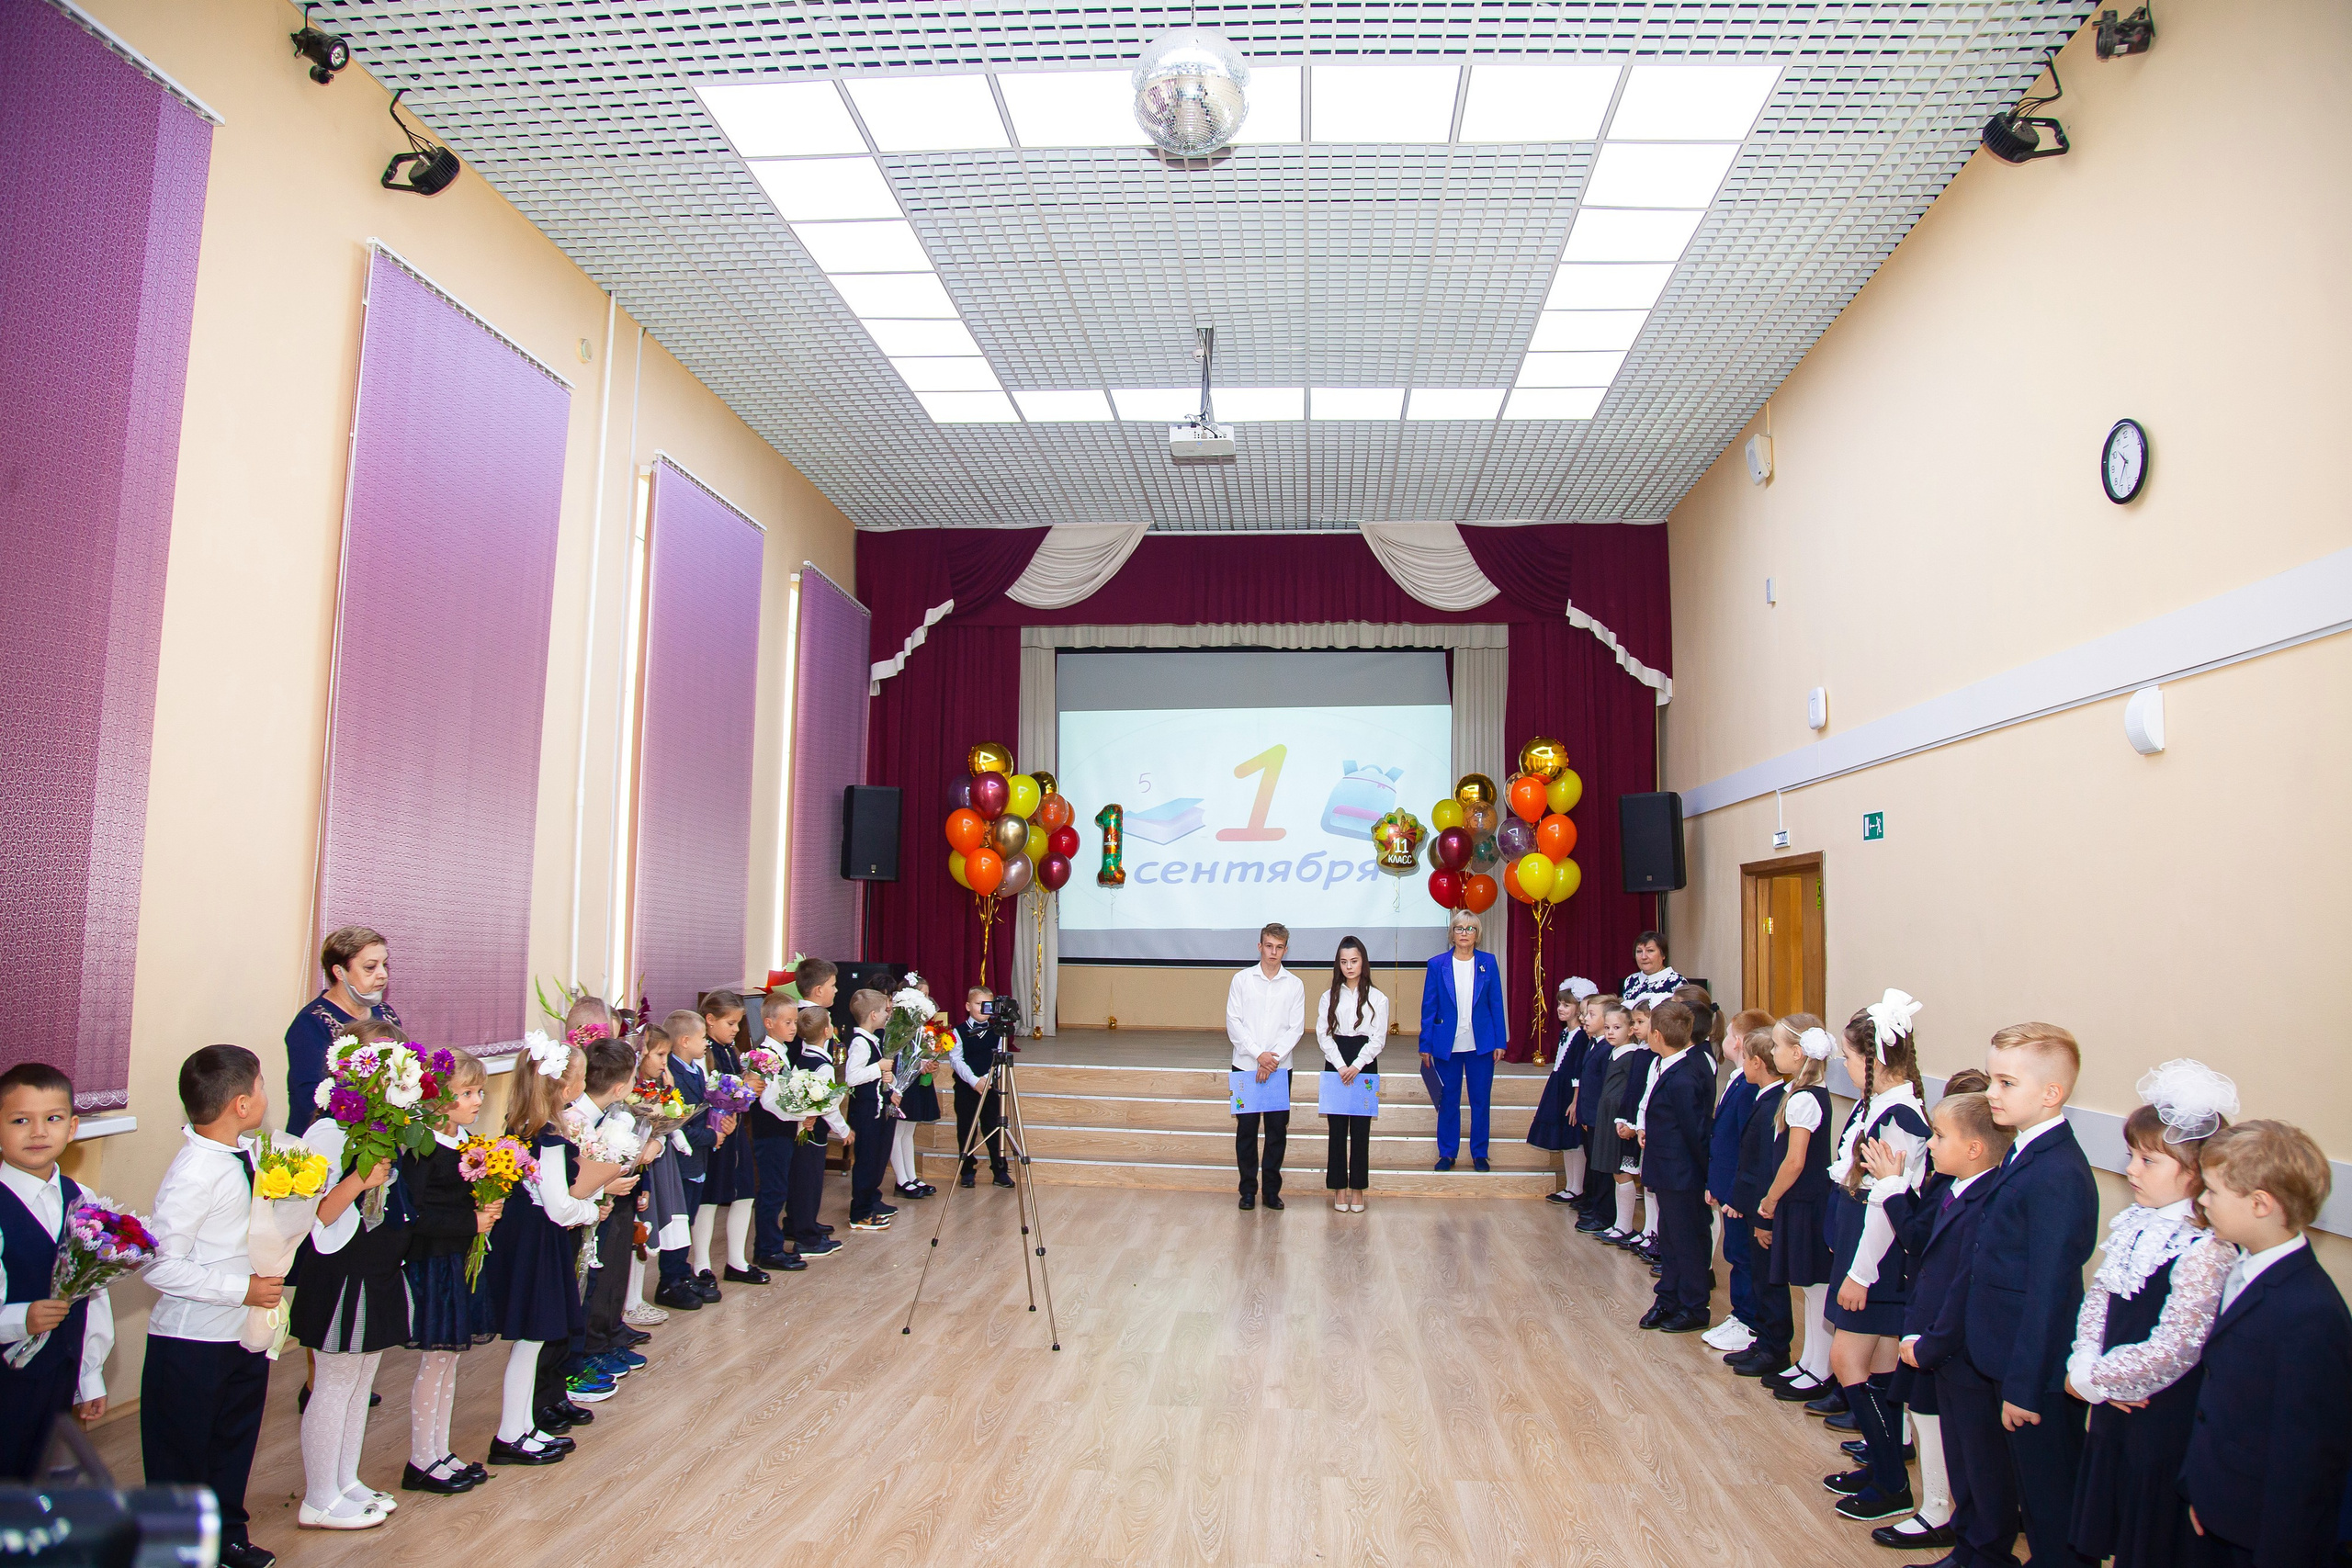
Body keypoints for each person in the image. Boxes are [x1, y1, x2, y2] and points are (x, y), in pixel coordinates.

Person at [2063, 1061, 2238, 1568]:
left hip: (2160, 1412)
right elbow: (2100, 1301)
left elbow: (2177, 1347)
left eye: (2148, 1161)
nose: (2131, 1170)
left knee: (2152, 1539)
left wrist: (2100, 1379)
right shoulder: (2137, 1222)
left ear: (2196, 1172)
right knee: (2115, 1528)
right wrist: (2084, 1367)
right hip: (2114, 1401)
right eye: (2132, 1156)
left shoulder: (2205, 1247)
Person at [2183, 1119, 2352, 1568]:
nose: (2202, 1200)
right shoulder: (2243, 1268)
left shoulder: (2311, 1314)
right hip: (2218, 1507)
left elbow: (2308, 1462)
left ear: (2260, 1204)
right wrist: (2201, 1489)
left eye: (2213, 1191)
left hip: (2262, 1536)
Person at [1962, 1021, 2099, 1567]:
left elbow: (2049, 1291)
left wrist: (2023, 1386)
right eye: (1991, 1079)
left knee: (2051, 1505)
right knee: (2029, 1493)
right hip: (2005, 1354)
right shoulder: (2025, 1151)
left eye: (2006, 1083)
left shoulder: (2058, 1172)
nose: (1991, 1093)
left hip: (2034, 1372)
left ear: (2051, 1093)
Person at [140, 1044, 280, 1568]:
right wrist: (241, 1289)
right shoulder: (195, 1172)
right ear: (241, 1104)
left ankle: (227, 1538)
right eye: (261, 1087)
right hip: (191, 1341)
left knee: (233, 1440)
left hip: (241, 1333)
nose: (265, 1096)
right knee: (181, 1455)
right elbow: (159, 1264)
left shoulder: (247, 1155)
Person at [288, 1026, 414, 1533]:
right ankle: (319, 1496)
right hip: (341, 1273)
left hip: (375, 1268)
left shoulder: (386, 1127)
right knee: (335, 1383)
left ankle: (344, 1481)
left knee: (360, 1382)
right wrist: (360, 1179)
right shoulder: (327, 1131)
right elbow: (314, 1212)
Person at [1820, 992, 1933, 1526]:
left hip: (1879, 1262)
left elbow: (1887, 1206)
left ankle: (1891, 1481)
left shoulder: (1900, 1118)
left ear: (1872, 1059)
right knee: (1882, 1365)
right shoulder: (1881, 1106)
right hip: (1867, 1254)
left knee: (1847, 1362)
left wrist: (1860, 1274)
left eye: (1848, 1055)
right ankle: (1883, 1465)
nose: (1844, 1064)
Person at [1897, 1089, 2014, 1567]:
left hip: (1962, 1353)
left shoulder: (1986, 1202)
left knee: (1981, 1466)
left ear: (1974, 1148)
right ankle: (1967, 1548)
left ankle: (1984, 1553)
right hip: (1941, 1348)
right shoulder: (1955, 1189)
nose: (1930, 1143)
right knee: (1962, 1460)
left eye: (1940, 1136)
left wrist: (1932, 1342)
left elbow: (1964, 1285)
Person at [481, 1033, 603, 1464]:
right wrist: (592, 1209)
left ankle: (522, 1427)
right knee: (531, 1339)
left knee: (531, 1340)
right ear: (566, 1088)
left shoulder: (521, 1124)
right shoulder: (549, 1137)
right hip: (538, 1241)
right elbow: (559, 1205)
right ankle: (510, 1434)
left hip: (525, 1236)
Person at [0, 1063, 112, 1481]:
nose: (38, 1132)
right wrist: (20, 1318)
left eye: (52, 1118)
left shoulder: (82, 1198)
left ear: (72, 1127)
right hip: (7, 1381)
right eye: (20, 1121)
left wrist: (90, 1376)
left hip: (60, 1375)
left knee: (47, 1478)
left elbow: (94, 1291)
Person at [398, 1048, 496, 1495]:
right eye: (467, 1093)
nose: (477, 1101)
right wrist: (469, 1222)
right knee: (435, 1361)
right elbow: (415, 1216)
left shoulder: (466, 1142)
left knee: (449, 1362)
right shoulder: (424, 1149)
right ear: (438, 1098)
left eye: (479, 1092)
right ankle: (421, 1458)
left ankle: (440, 1450)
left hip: (457, 1259)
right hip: (434, 1262)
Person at [1759, 1014, 1837, 1403]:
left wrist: (1770, 1199)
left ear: (1796, 1053)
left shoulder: (1805, 1098)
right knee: (1807, 1285)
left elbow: (1794, 1161)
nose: (1772, 1052)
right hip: (1802, 1202)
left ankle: (1821, 1369)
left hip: (1805, 1202)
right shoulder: (1804, 1091)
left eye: (1776, 1046)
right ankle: (1808, 1361)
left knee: (1816, 1286)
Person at [574, 1035, 652, 1385]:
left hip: (611, 1206)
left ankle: (605, 1340)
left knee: (611, 1273)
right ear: (620, 1087)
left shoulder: (611, 1114)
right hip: (584, 1212)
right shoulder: (577, 1120)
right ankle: (586, 1350)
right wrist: (604, 1187)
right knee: (590, 1281)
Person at [1633, 998, 1713, 1334]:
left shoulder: (1684, 1077)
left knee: (1686, 1241)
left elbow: (1695, 1132)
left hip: (1682, 1175)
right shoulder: (1668, 1067)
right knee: (1670, 1238)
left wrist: (1706, 1176)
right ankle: (1668, 1297)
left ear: (1657, 1036)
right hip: (1667, 1171)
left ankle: (1693, 1306)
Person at [1719, 1028, 1792, 1380]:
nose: (1743, 1064)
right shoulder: (1764, 1098)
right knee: (1760, 1278)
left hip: (1761, 1209)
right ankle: (1763, 1341)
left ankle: (1775, 1349)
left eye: (1746, 1058)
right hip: (1751, 1204)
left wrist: (1762, 1214)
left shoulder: (1772, 1105)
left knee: (1767, 1282)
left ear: (1758, 1063)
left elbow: (1764, 1167)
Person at [752, 964, 833, 1269]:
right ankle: (768, 1250)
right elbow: (770, 1101)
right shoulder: (766, 1055)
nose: (793, 1028)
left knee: (779, 1189)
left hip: (783, 1131)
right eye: (787, 1022)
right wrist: (800, 1116)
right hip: (771, 1132)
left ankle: (772, 1245)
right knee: (772, 1192)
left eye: (795, 1022)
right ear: (769, 1023)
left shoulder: (782, 1052)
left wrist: (803, 1116)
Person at [284, 926, 401, 1135]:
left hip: (379, 1134)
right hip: (329, 1139)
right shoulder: (311, 1023)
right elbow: (312, 1099)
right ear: (339, 972)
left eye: (385, 965)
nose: (383, 975)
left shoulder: (386, 1014)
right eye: (370, 967)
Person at [1702, 1007, 1773, 1352]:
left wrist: (1733, 1192)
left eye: (1729, 1035)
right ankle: (1740, 1313)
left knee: (1744, 1256)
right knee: (1734, 1252)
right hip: (1727, 1185)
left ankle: (1748, 1320)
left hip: (1739, 1192)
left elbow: (1747, 1145)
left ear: (1741, 1042)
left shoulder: (1749, 1088)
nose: (1725, 1040)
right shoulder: (1738, 1079)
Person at [1418, 910, 1507, 1173]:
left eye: (1470, 929)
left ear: (1477, 935)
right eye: (1459, 928)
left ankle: (1480, 1153)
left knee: (1480, 1100)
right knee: (1448, 1100)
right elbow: (1429, 1007)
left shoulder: (1488, 962)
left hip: (1481, 1044)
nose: (1464, 933)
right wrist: (1425, 1044)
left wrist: (1500, 1041)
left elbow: (1496, 1003)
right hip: (1447, 1044)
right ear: (1452, 933)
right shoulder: (1437, 964)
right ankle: (1447, 1153)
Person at [1228, 923, 1306, 1210]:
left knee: (1276, 1131)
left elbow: (1296, 1029)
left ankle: (1271, 1192)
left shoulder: (1295, 985)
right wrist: (1258, 1055)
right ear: (1260, 947)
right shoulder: (1241, 980)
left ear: (1286, 949)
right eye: (1269, 946)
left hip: (1279, 1069)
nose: (1273, 952)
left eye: (1279, 947)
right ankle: (1248, 1190)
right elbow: (1233, 1023)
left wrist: (1271, 1060)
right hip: (1245, 1066)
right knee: (1246, 1130)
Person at [653, 1009, 726, 1311]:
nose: (706, 1043)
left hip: (697, 1161)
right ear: (684, 1041)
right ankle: (670, 1280)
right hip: (682, 1161)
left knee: (689, 1218)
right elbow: (678, 1124)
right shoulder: (672, 1075)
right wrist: (711, 1136)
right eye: (702, 1038)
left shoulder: (695, 1068)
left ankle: (682, 1273)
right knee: (678, 1221)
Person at [767, 1003, 851, 1260]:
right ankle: (807, 1237)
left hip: (801, 1128)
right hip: (813, 1133)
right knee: (810, 1184)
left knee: (800, 1181)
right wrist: (844, 1130)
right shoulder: (824, 1066)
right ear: (827, 1031)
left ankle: (796, 1224)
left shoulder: (801, 1058)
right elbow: (828, 1105)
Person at [695, 989, 763, 1286]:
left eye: (738, 1024)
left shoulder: (729, 1050)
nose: (736, 1030)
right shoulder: (705, 1052)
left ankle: (737, 1261)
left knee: (745, 1194)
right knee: (709, 1199)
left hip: (734, 1133)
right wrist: (740, 1090)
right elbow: (706, 1092)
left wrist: (747, 1091)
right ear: (710, 1020)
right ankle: (701, 1265)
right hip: (714, 1135)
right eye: (731, 1023)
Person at [1316, 935, 1388, 1213]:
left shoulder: (1378, 998)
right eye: (1344, 962)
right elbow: (1323, 1035)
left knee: (1360, 1130)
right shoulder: (1328, 997)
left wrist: (1357, 1065)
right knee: (1336, 1130)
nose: (1349, 967)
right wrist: (1340, 1064)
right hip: (1336, 1061)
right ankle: (1339, 1188)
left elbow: (1378, 1038)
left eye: (1354, 961)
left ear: (1363, 962)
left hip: (1364, 1063)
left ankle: (1357, 1189)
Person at [1529, 977, 1597, 1203]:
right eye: (1559, 1004)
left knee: (1575, 1141)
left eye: (1566, 1005)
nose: (1560, 1008)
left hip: (1571, 1092)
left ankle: (1577, 1187)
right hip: (1559, 1088)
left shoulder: (1581, 1036)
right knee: (1567, 1141)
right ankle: (1570, 1185)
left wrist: (1576, 1101)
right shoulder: (1565, 1033)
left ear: (1579, 1008)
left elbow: (1578, 1069)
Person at [1584, 1001, 1644, 1243]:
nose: (1610, 1032)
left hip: (1619, 1117)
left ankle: (1624, 1226)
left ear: (1630, 1030)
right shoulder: (1613, 1052)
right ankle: (1619, 1224)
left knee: (1622, 1171)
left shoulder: (1632, 1055)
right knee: (1615, 1172)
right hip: (1607, 1114)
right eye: (1607, 1027)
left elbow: (1633, 1090)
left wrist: (1629, 1120)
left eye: (1617, 1028)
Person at [842, 989, 898, 1231]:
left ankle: (870, 1203)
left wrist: (887, 1078)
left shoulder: (872, 1039)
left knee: (875, 1158)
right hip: (865, 1112)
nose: (888, 1015)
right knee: (865, 1161)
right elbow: (852, 1077)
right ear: (873, 1014)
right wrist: (878, 1067)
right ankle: (860, 1212)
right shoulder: (860, 1043)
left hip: (876, 1109)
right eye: (886, 1011)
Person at [952, 987, 1013, 1190]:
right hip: (966, 1088)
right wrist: (973, 1081)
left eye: (987, 1005)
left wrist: (987, 1080)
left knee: (993, 1127)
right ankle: (967, 1170)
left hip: (990, 1087)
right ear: (968, 1006)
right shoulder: (959, 1031)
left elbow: (1000, 1058)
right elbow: (956, 1060)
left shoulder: (997, 1032)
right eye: (978, 1004)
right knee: (966, 1129)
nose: (983, 1009)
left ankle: (999, 1170)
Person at [1571, 994, 1622, 1232]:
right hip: (1590, 1116)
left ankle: (1604, 1213)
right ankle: (1593, 1205)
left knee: (1602, 1167)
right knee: (1593, 1162)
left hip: (1600, 1119)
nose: (1585, 1018)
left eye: (1592, 1014)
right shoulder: (1594, 1044)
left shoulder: (1607, 1049)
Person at [891, 975, 942, 1201]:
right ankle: (901, 1179)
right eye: (923, 995)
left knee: (908, 1131)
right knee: (898, 1130)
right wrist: (916, 1065)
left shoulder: (922, 1027)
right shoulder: (898, 1025)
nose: (927, 1000)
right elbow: (896, 1055)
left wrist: (928, 1062)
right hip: (902, 1083)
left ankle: (911, 1176)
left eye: (928, 996)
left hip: (914, 1081)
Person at [1620, 930, 1683, 1013]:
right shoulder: (1631, 980)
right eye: (1639, 951)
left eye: (1650, 951)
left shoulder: (1677, 981)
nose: (1643, 957)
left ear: (1663, 955)